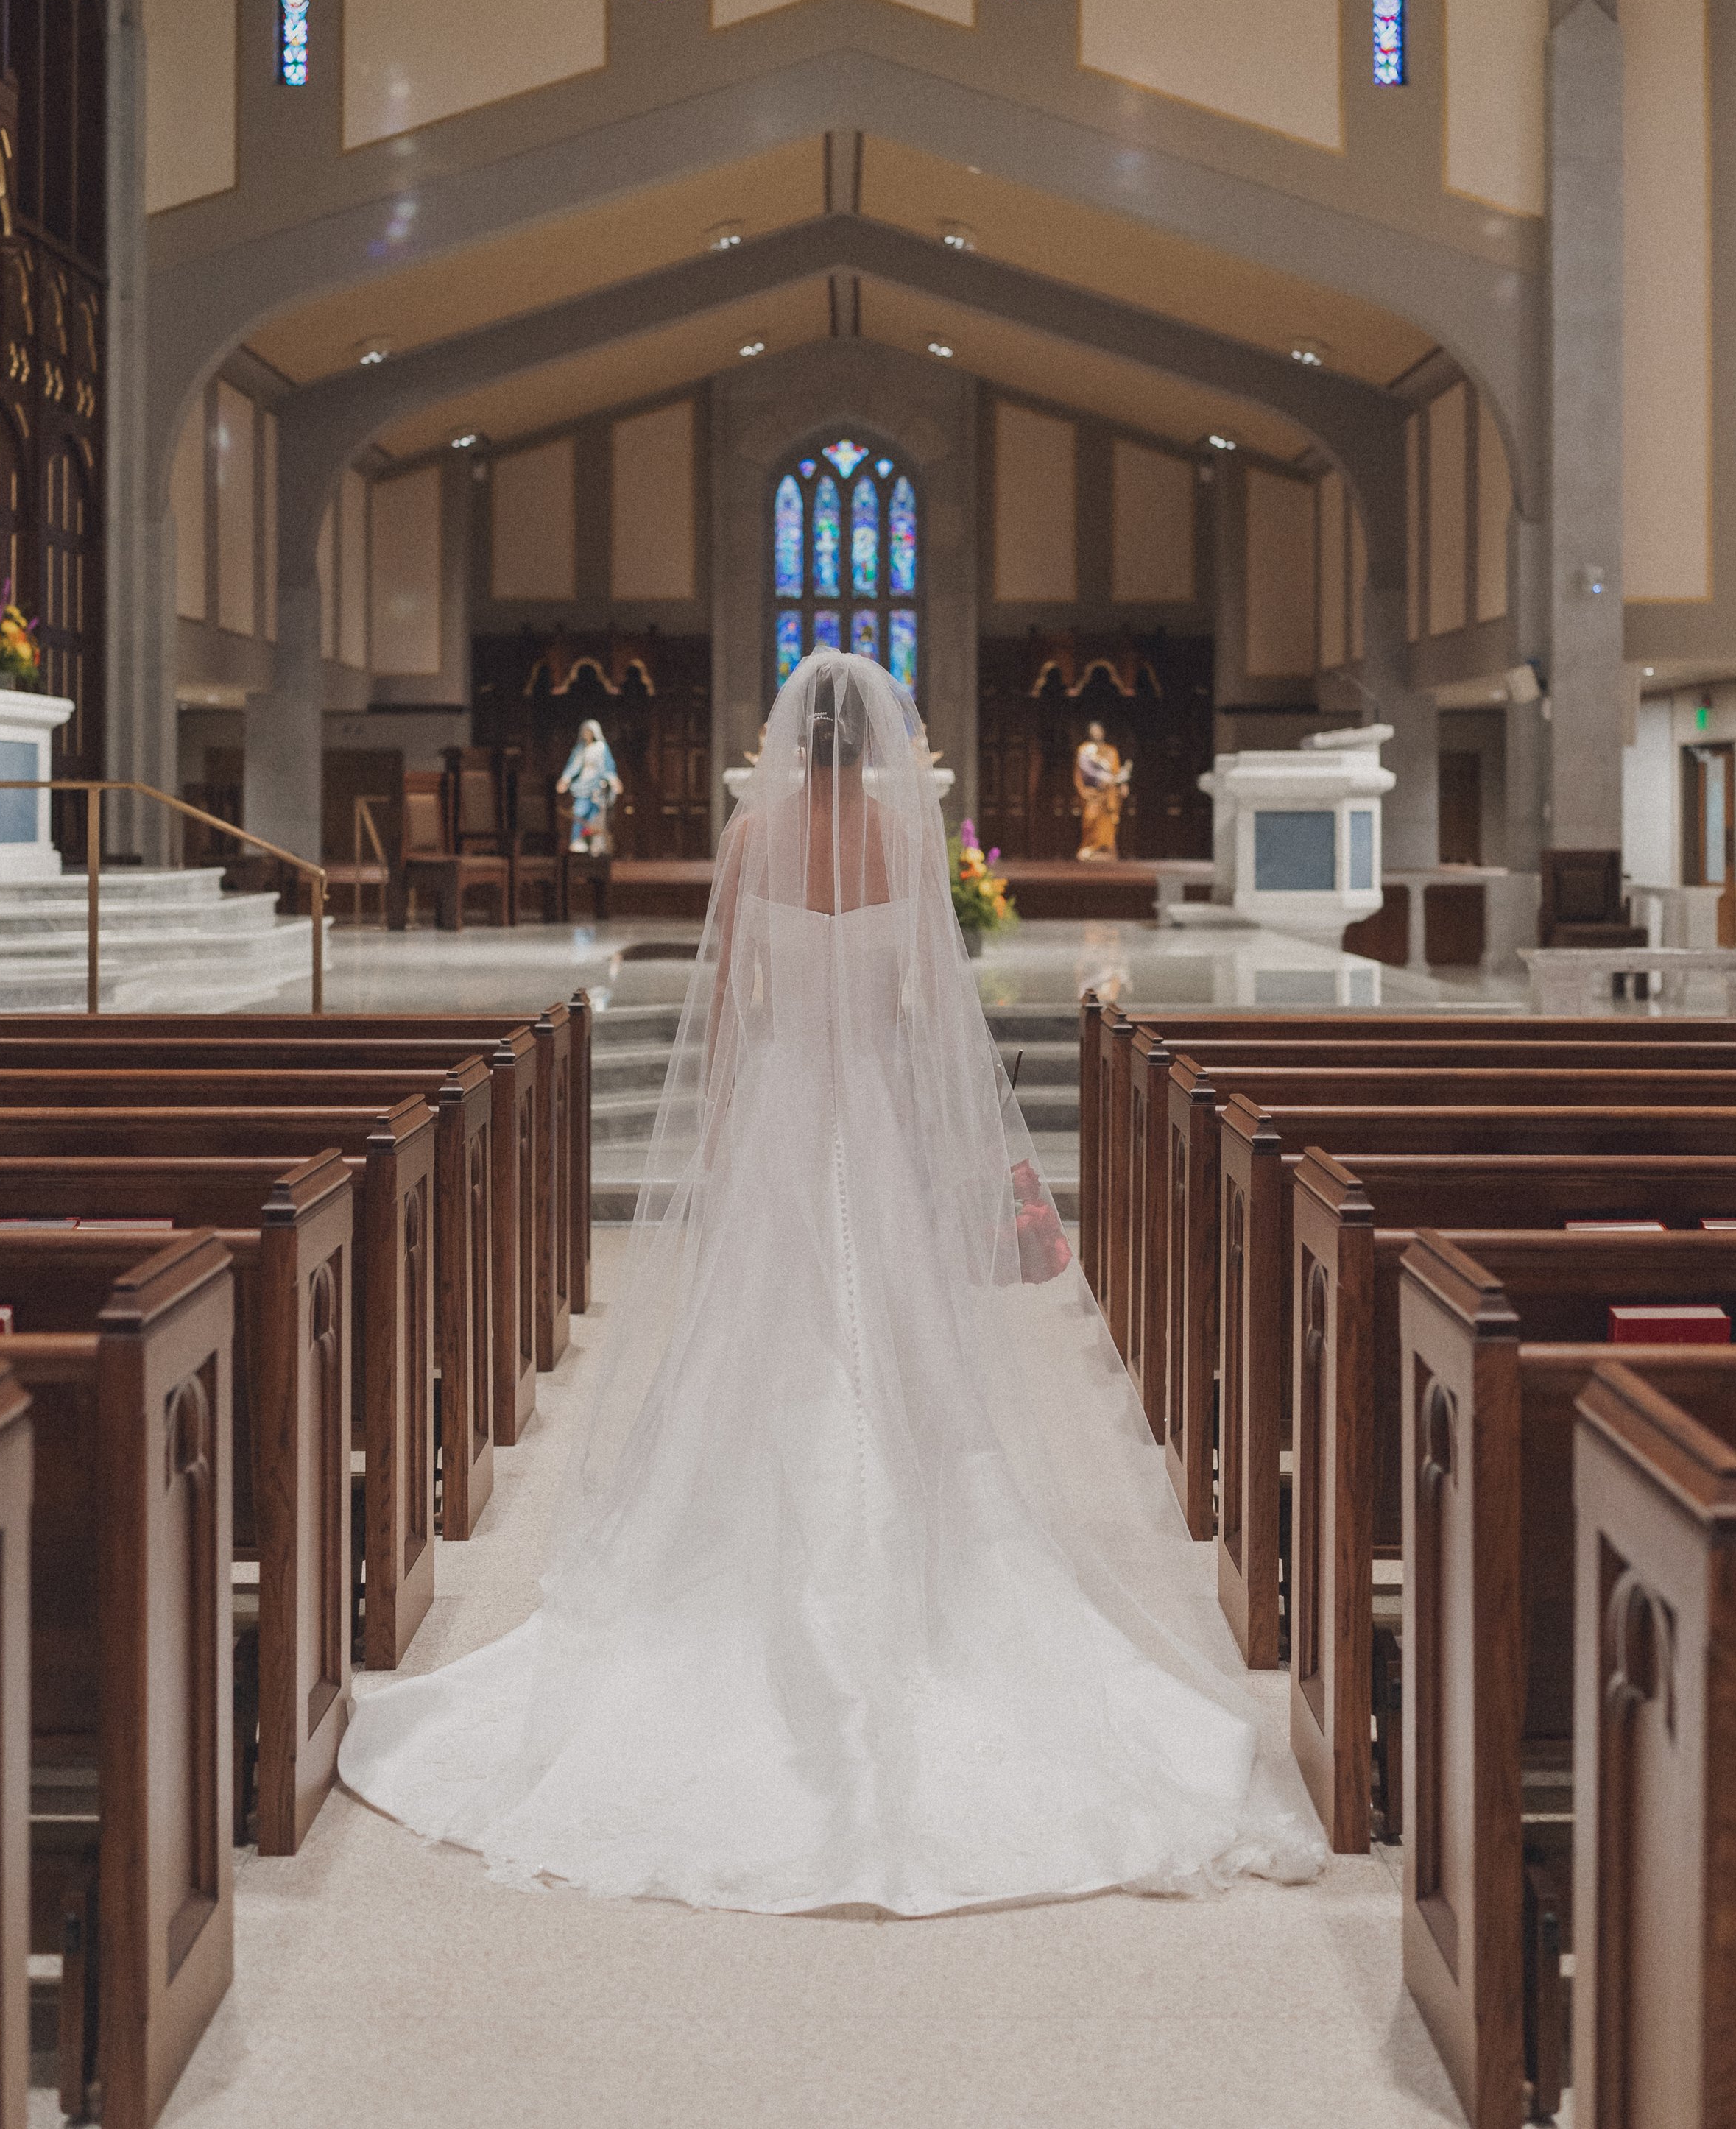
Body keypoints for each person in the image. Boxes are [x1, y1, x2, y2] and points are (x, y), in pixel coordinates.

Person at [339, 652, 1324, 1912]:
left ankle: (751, 1564)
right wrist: (932, 1144)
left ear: (798, 738)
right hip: (867, 1104)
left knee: (761, 1337)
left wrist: (724, 1124)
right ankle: (916, 1568)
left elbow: (735, 1012)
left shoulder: (755, 839)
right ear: (886, 744)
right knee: (894, 1341)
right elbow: (923, 1018)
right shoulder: (909, 847)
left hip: (785, 1107)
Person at [557, 715, 621, 854]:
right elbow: (572, 766)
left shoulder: (601, 747)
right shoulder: (580, 749)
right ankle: (578, 843)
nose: (587, 735)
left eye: (589, 732)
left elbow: (607, 767)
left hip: (596, 787)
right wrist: (565, 779)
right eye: (585, 732)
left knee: (595, 816)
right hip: (582, 787)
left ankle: (593, 844)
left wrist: (613, 780)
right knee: (580, 814)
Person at [1075, 720, 1130, 862]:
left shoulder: (1111, 751)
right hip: (1093, 794)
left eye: (1098, 730)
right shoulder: (1085, 750)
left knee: (1108, 824)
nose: (1096, 733)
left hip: (1109, 795)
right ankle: (1090, 850)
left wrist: (1122, 784)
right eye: (1094, 730)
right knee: (1091, 820)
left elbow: (1116, 771)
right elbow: (1084, 772)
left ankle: (1106, 851)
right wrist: (1103, 779)